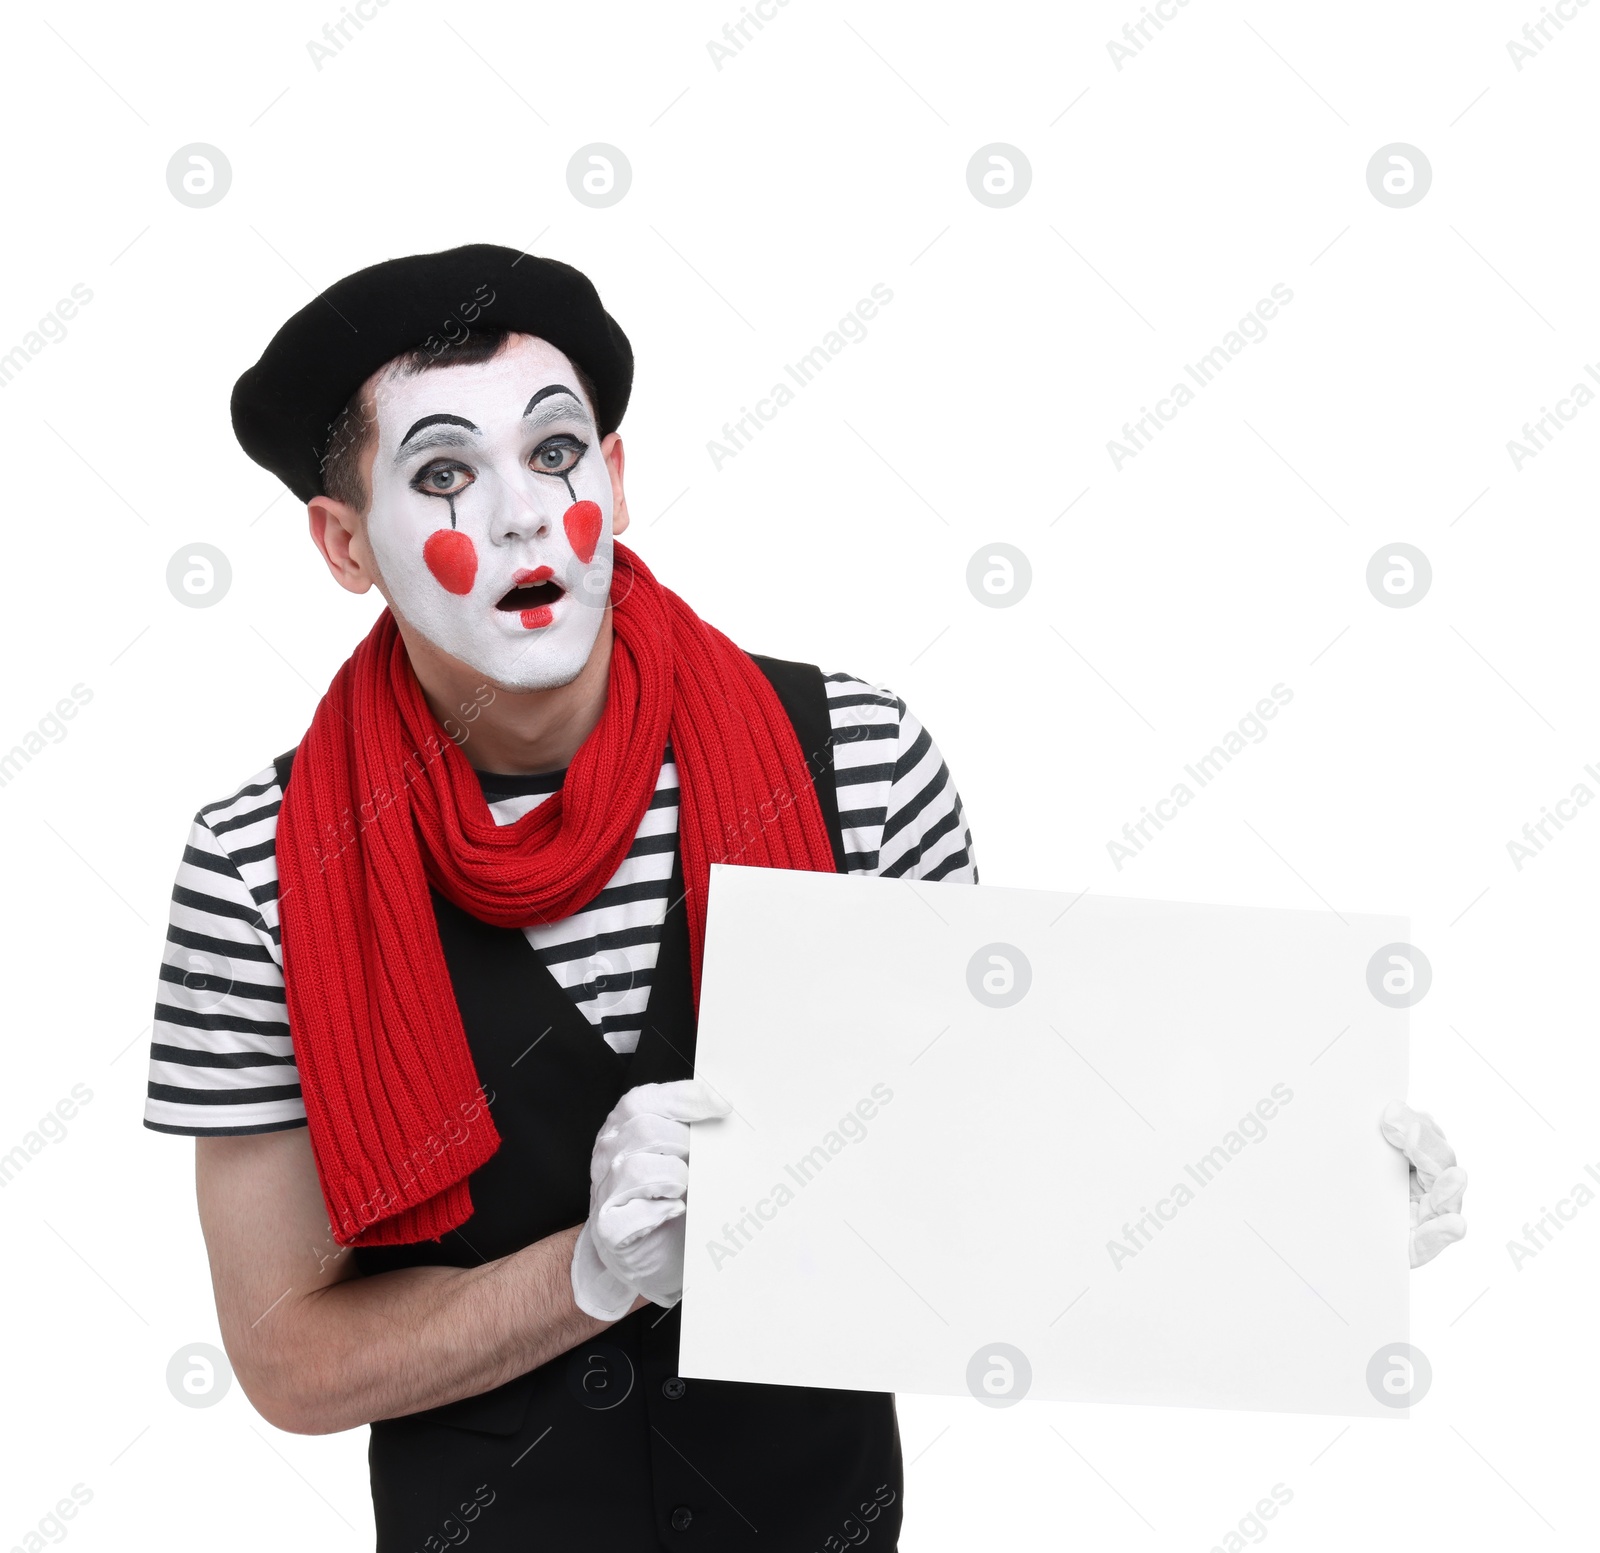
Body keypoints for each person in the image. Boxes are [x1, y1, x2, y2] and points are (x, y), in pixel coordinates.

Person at [143, 244, 1464, 1552]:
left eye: (555, 453)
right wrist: (590, 1276)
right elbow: (288, 1360)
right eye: (442, 474)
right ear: (343, 545)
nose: (521, 515)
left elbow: (990, 1174)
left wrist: (1300, 1224)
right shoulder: (253, 866)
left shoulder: (860, 762)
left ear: (613, 474)